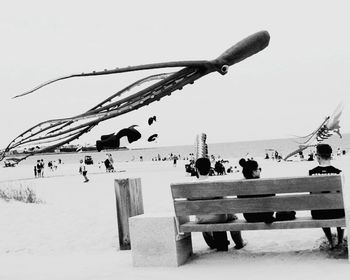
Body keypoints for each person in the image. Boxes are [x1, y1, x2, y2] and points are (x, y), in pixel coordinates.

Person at [194, 157, 245, 251]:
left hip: (201, 219)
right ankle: (239, 243)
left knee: (207, 217)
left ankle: (212, 243)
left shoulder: (190, 187)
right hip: (219, 218)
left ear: (196, 169)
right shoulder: (215, 184)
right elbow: (225, 203)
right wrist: (232, 215)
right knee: (232, 217)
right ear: (210, 169)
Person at [309, 143, 345, 249]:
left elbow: (311, 194)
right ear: (331, 155)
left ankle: (330, 241)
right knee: (338, 205)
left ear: (317, 156)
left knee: (321, 205)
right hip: (337, 212)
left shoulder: (311, 173)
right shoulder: (339, 173)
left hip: (318, 213)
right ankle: (340, 240)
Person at [238, 158, 275, 223]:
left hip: (249, 217)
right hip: (265, 215)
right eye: (259, 169)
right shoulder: (262, 184)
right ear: (253, 172)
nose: (260, 171)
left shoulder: (241, 186)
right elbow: (272, 197)